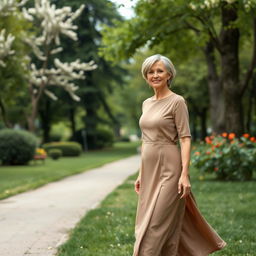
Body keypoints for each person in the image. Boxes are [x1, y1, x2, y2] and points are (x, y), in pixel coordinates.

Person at [132, 54, 226, 256]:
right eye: (150, 71)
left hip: (169, 169)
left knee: (154, 225)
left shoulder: (177, 102)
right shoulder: (146, 103)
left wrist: (184, 174)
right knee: (154, 222)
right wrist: (141, 173)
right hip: (149, 171)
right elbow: (145, 139)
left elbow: (185, 138)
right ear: (145, 75)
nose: (154, 75)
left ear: (169, 74)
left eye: (159, 71)